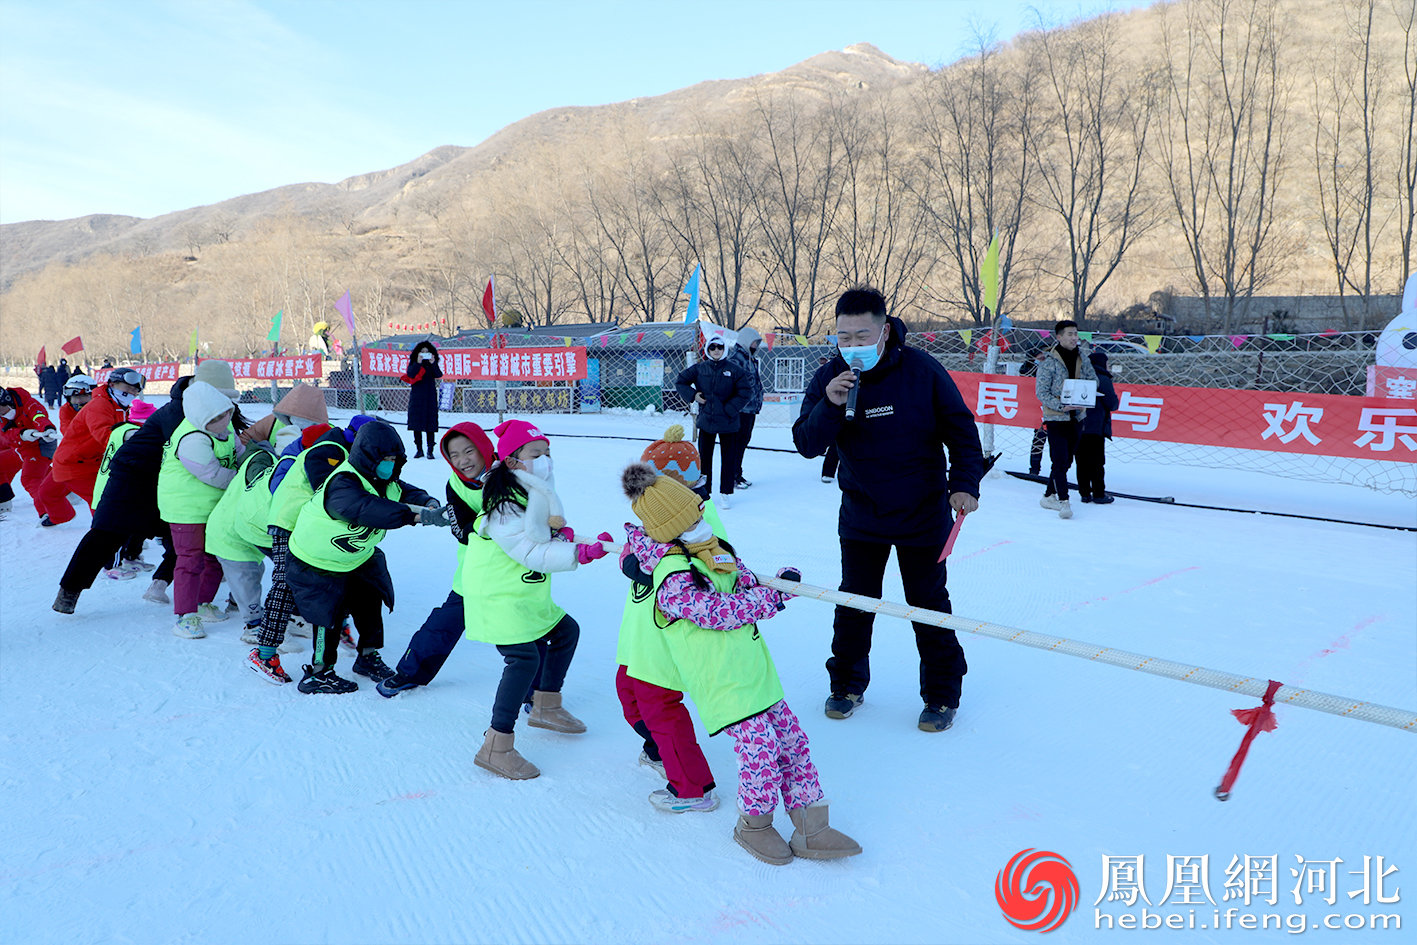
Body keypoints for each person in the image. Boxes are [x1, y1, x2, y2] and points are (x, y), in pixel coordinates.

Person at [619, 464, 860, 864]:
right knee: (760, 751)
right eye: (692, 516)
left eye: (699, 510)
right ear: (672, 526)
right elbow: (713, 611)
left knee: (793, 743)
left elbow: (743, 581)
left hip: (756, 671)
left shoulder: (710, 548)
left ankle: (811, 827)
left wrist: (777, 583)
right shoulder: (671, 574)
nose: (702, 519)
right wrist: (770, 602)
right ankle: (755, 825)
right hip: (723, 682)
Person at [792, 286, 983, 733]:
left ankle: (941, 695)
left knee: (927, 604)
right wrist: (831, 405)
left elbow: (960, 429)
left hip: (923, 512)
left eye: (862, 335)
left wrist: (965, 484)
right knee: (854, 602)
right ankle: (846, 685)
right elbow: (805, 443)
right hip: (862, 514)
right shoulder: (829, 378)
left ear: (884, 331)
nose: (853, 345)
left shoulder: (921, 370)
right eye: (844, 336)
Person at [463, 420, 610, 779]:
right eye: (536, 454)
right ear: (513, 461)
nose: (545, 460)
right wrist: (578, 553)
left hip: (524, 591)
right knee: (523, 659)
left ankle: (545, 706)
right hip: (498, 594)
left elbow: (541, 535)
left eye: (547, 453)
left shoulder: (530, 489)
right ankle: (496, 745)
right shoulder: (503, 506)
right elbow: (531, 552)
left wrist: (562, 536)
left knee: (564, 632)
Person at [53, 360, 242, 614]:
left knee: (185, 538)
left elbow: (235, 438)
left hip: (166, 482)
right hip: (131, 477)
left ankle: (160, 584)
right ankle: (69, 591)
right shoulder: (179, 411)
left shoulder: (213, 409)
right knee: (106, 536)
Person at [285, 419, 446, 693]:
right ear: (367, 457)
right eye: (384, 459)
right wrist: (415, 516)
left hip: (355, 558)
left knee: (371, 602)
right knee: (329, 615)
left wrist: (427, 503)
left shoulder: (384, 479)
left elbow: (405, 491)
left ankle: (368, 656)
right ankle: (318, 673)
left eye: (395, 459)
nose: (390, 464)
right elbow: (366, 509)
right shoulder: (342, 483)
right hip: (317, 561)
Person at [612, 435, 722, 810]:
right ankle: (662, 750)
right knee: (628, 695)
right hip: (637, 635)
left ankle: (693, 787)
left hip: (665, 638)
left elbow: (707, 570)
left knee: (659, 706)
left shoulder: (698, 517)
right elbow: (636, 549)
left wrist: (647, 571)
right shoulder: (654, 511)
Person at [376, 421, 496, 697]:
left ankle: (539, 695)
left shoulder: (510, 473)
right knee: (445, 623)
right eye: (454, 455)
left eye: (469, 451)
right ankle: (409, 673)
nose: (463, 461)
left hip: (514, 571)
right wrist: (489, 524)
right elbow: (461, 532)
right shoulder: (455, 485)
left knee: (528, 632)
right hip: (476, 569)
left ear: (484, 448)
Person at [248, 418, 366, 683]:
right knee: (286, 583)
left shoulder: (343, 453)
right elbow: (330, 494)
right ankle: (264, 653)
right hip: (289, 523)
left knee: (337, 575)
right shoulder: (329, 450)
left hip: (310, 526)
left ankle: (339, 628)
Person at [158, 380, 245, 638]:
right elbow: (214, 475)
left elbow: (240, 453)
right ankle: (185, 615)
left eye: (226, 413)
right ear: (200, 418)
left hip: (213, 505)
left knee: (217, 555)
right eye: (216, 417)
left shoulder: (226, 428)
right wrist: (244, 479)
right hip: (187, 509)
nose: (223, 420)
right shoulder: (191, 438)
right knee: (190, 560)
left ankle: (203, 602)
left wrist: (253, 463)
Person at [39, 368, 145, 526]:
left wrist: (148, 429)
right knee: (101, 499)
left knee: (108, 496)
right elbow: (104, 434)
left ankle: (113, 531)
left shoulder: (118, 406)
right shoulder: (98, 406)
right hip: (74, 464)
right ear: (113, 384)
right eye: (127, 388)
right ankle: (109, 535)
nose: (79, 401)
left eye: (134, 390)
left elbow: (119, 427)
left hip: (93, 461)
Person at [89, 399, 167, 580]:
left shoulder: (127, 430)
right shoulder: (130, 432)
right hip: (113, 489)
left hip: (129, 488)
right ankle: (111, 565)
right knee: (116, 530)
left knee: (136, 525)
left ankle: (131, 557)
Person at [673, 338, 749, 509]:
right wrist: (693, 396)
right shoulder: (700, 368)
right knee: (704, 459)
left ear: (724, 349)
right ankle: (704, 493)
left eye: (720, 347)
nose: (716, 350)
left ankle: (726, 493)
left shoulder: (734, 370)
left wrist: (730, 409)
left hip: (729, 423)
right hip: (706, 421)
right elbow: (680, 381)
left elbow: (745, 391)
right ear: (708, 349)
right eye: (712, 347)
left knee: (728, 459)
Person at [1034, 320, 1097, 520]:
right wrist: (1062, 405)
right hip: (1056, 417)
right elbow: (1041, 392)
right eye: (1069, 334)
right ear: (1059, 337)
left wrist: (1083, 395)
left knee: (1067, 460)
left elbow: (1093, 380)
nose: (1074, 338)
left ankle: (1047, 496)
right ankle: (1064, 501)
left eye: (1076, 334)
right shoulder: (1048, 362)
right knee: (1059, 460)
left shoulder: (1083, 358)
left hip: (1077, 416)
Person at [0, 386, 58, 522]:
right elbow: (6, 434)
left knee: (30, 478)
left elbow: (39, 416)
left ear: (6, 401)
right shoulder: (2, 417)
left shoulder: (27, 402)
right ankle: (3, 500)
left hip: (41, 443)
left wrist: (46, 428)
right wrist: (22, 434)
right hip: (21, 446)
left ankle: (50, 512)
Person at [1076, 349, 1120, 504]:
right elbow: (1112, 404)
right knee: (1096, 462)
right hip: (1096, 427)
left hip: (1079, 425)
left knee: (1081, 461)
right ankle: (1099, 494)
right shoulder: (1102, 379)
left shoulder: (1080, 376)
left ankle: (1084, 493)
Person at [239, 382, 329, 449]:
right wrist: (263, 456)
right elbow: (244, 440)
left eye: (306, 421)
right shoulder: (272, 422)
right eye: (297, 417)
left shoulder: (328, 432)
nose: (300, 423)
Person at [727, 327, 764, 490]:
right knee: (736, 443)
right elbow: (731, 384)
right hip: (740, 410)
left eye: (758, 343)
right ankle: (732, 476)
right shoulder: (736, 359)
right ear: (746, 341)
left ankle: (737, 473)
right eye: (755, 342)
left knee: (743, 442)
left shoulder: (749, 358)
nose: (756, 346)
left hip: (750, 408)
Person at [401, 340, 443, 459]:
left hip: (430, 396)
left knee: (431, 424)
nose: (424, 353)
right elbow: (410, 374)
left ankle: (430, 450)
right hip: (417, 397)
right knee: (417, 424)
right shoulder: (414, 363)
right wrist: (418, 363)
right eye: (422, 352)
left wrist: (433, 363)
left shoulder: (431, 364)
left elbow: (438, 374)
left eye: (427, 351)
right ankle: (419, 449)